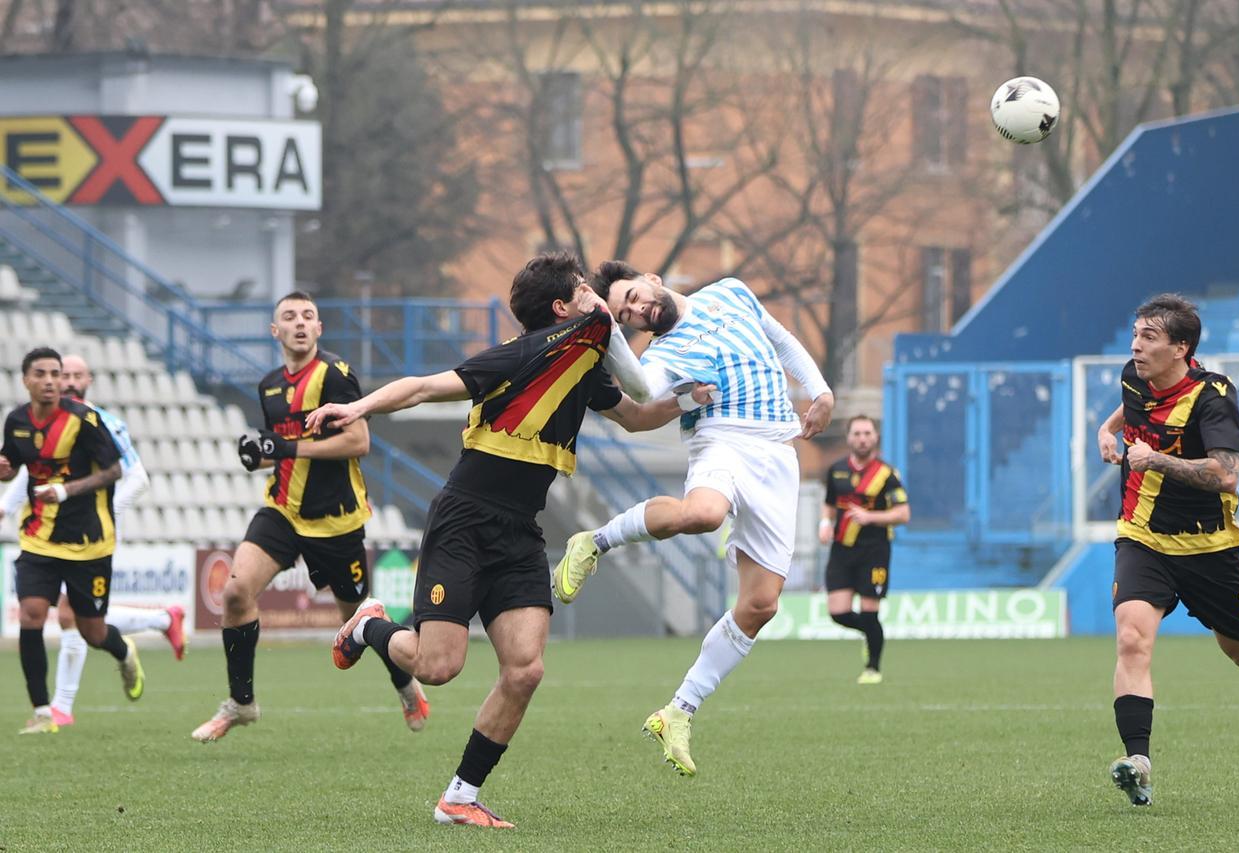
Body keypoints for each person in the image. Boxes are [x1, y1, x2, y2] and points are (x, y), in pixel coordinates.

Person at [308, 252, 709, 828]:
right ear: (561, 308)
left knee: (525, 670)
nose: (594, 298)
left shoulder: (586, 367)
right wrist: (357, 406)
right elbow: (422, 386)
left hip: (521, 530)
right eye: (583, 291)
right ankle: (370, 623)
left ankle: (460, 798)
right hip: (465, 521)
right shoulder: (521, 354)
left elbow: (638, 416)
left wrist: (696, 394)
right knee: (437, 668)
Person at [553, 261, 834, 777]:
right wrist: (607, 329)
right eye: (626, 315)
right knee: (705, 514)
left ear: (653, 279)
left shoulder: (731, 291)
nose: (637, 310)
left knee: (761, 604)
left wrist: (821, 391)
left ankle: (677, 712)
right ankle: (595, 541)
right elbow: (639, 389)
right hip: (721, 440)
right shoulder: (662, 353)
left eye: (633, 298)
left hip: (778, 452)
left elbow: (782, 337)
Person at [191, 291, 427, 742]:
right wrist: (258, 455)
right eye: (289, 317)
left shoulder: (336, 376)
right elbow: (280, 450)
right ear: (274, 331)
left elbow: (358, 443)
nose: (299, 323)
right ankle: (241, 704)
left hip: (336, 522)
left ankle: (403, 683)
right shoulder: (269, 385)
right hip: (281, 511)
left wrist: (285, 447)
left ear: (319, 329)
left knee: (356, 621)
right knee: (237, 593)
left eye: (308, 316)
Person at [1097, 293, 1239, 806]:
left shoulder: (1214, 396)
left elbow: (1224, 474)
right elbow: (1130, 405)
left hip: (1208, 548)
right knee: (1132, 637)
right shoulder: (1133, 374)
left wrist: (1154, 460)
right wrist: (1106, 430)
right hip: (1141, 535)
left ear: (1181, 348)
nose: (1136, 345)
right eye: (1135, 334)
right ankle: (1138, 762)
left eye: (1149, 337)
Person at [0, 353, 185, 728]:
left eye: (63, 374)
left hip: (90, 542)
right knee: (33, 615)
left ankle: (124, 649)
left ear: (87, 379)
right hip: (39, 538)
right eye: (46, 374)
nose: (56, 381)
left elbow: (122, 470)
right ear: (25, 380)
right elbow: (20, 467)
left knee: (91, 629)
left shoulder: (89, 420)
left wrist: (69, 494)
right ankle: (44, 712)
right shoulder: (17, 420)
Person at [819, 414, 909, 685]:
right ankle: (872, 634)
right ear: (848, 438)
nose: (862, 438)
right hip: (842, 549)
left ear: (875, 437)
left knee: (870, 611)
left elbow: (903, 514)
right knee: (839, 613)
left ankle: (873, 667)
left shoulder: (887, 475)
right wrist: (825, 523)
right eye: (857, 433)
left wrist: (872, 518)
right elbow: (830, 504)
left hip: (875, 550)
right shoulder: (836, 470)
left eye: (867, 433)